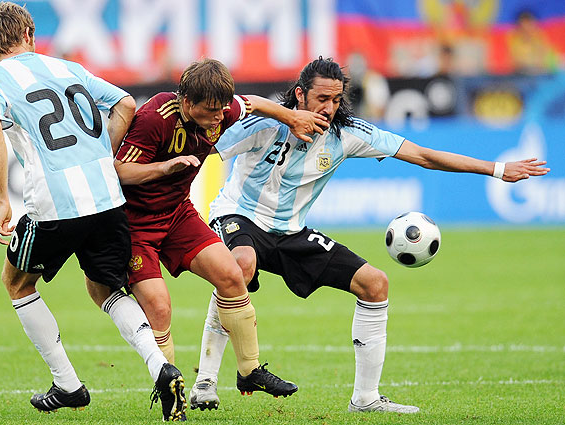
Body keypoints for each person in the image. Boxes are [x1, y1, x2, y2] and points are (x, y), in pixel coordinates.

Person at [189, 57, 550, 412]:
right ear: (300, 94)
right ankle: (205, 382)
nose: (329, 108)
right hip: (238, 215)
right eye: (321, 99)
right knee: (240, 266)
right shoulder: (264, 124)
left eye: (336, 100)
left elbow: (422, 155)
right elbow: (203, 146)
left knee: (375, 284)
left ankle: (366, 399)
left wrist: (497, 169)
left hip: (290, 231)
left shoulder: (348, 134)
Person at [0, 2, 186, 421]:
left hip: (54, 205)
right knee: (105, 289)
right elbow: (126, 103)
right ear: (29, 34)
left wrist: (1, 199)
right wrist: (101, 156)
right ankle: (161, 366)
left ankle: (67, 384)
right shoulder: (68, 68)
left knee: (16, 283)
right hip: (107, 198)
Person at [113, 58, 329, 403]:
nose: (219, 118)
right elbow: (120, 170)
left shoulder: (223, 109)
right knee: (159, 307)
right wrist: (164, 168)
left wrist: (291, 117)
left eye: (222, 110)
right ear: (187, 102)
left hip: (178, 215)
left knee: (231, 275)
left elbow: (253, 103)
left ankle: (250, 370)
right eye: (211, 111)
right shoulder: (155, 117)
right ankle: (169, 389)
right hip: (135, 224)